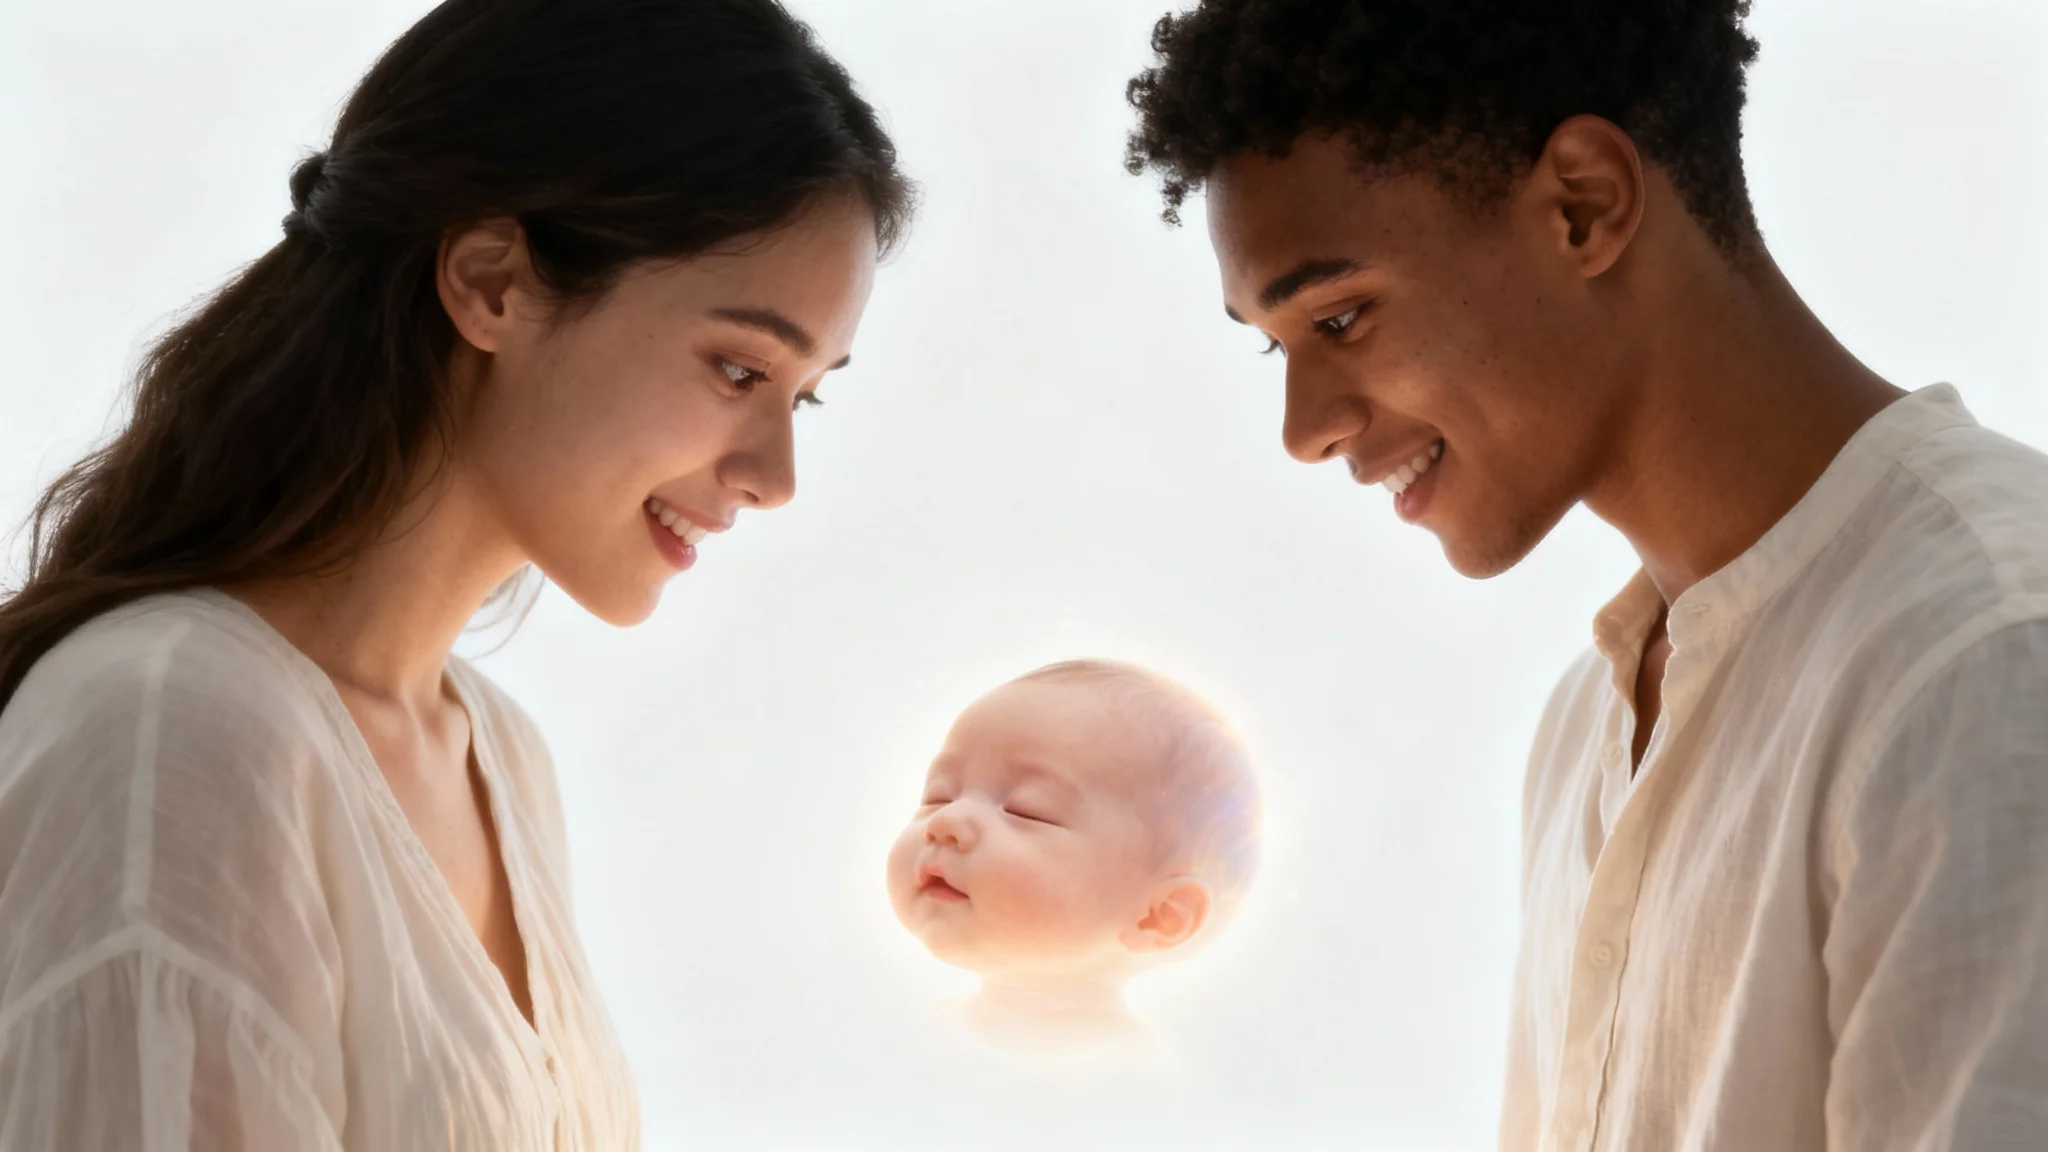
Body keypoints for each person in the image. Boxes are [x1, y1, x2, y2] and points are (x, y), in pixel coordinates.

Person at [1122, 1, 2048, 1149]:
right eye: (1276, 346)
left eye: (1342, 316)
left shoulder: (1990, 658)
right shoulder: (1585, 728)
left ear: (1583, 205)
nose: (1300, 429)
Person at [0, 0, 913, 1147]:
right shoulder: (171, 727)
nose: (774, 476)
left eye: (805, 396)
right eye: (739, 369)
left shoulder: (497, 755)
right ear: (490, 283)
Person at [885, 659, 1260, 1056]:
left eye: (1026, 811)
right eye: (938, 796)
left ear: (1159, 915)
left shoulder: (1120, 1073)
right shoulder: (925, 1033)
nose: (947, 820)